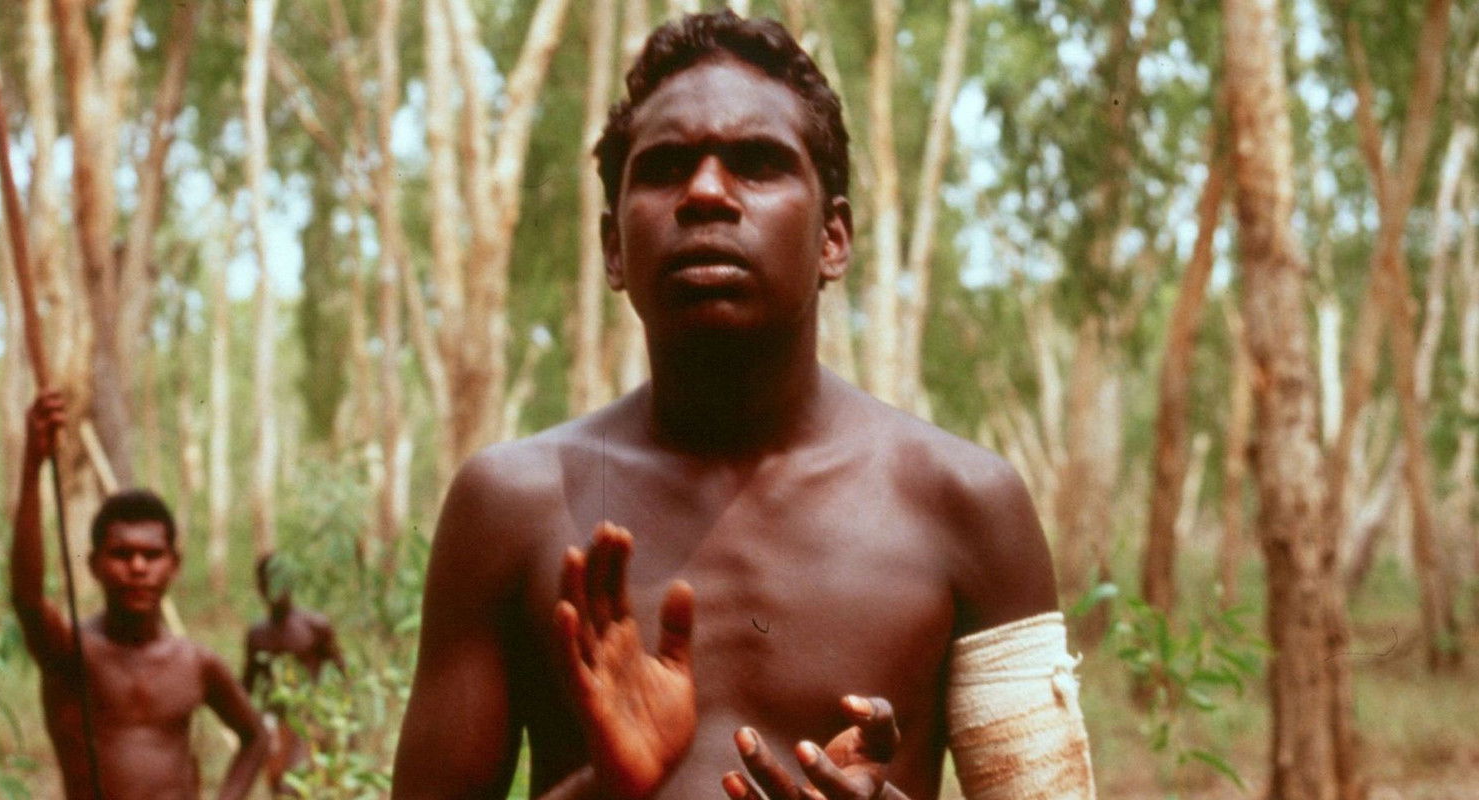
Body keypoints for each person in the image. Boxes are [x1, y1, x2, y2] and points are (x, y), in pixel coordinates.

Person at [392, 12, 1092, 800]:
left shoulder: (968, 505)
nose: (704, 193)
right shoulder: (508, 507)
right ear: (614, 248)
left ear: (833, 239)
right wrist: (603, 791)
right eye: (664, 168)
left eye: (756, 164)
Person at [12, 390, 270, 800]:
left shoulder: (196, 663)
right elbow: (27, 600)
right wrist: (32, 465)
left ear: (174, 564)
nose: (137, 567)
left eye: (151, 555)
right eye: (122, 554)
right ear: (94, 564)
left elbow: (255, 736)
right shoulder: (71, 653)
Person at [242, 553, 347, 793]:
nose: (278, 588)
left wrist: (343, 730)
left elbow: (342, 674)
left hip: (312, 720)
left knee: (304, 786)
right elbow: (246, 685)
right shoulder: (257, 635)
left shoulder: (315, 626)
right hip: (276, 725)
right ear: (260, 587)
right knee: (280, 787)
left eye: (283, 579)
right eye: (270, 580)